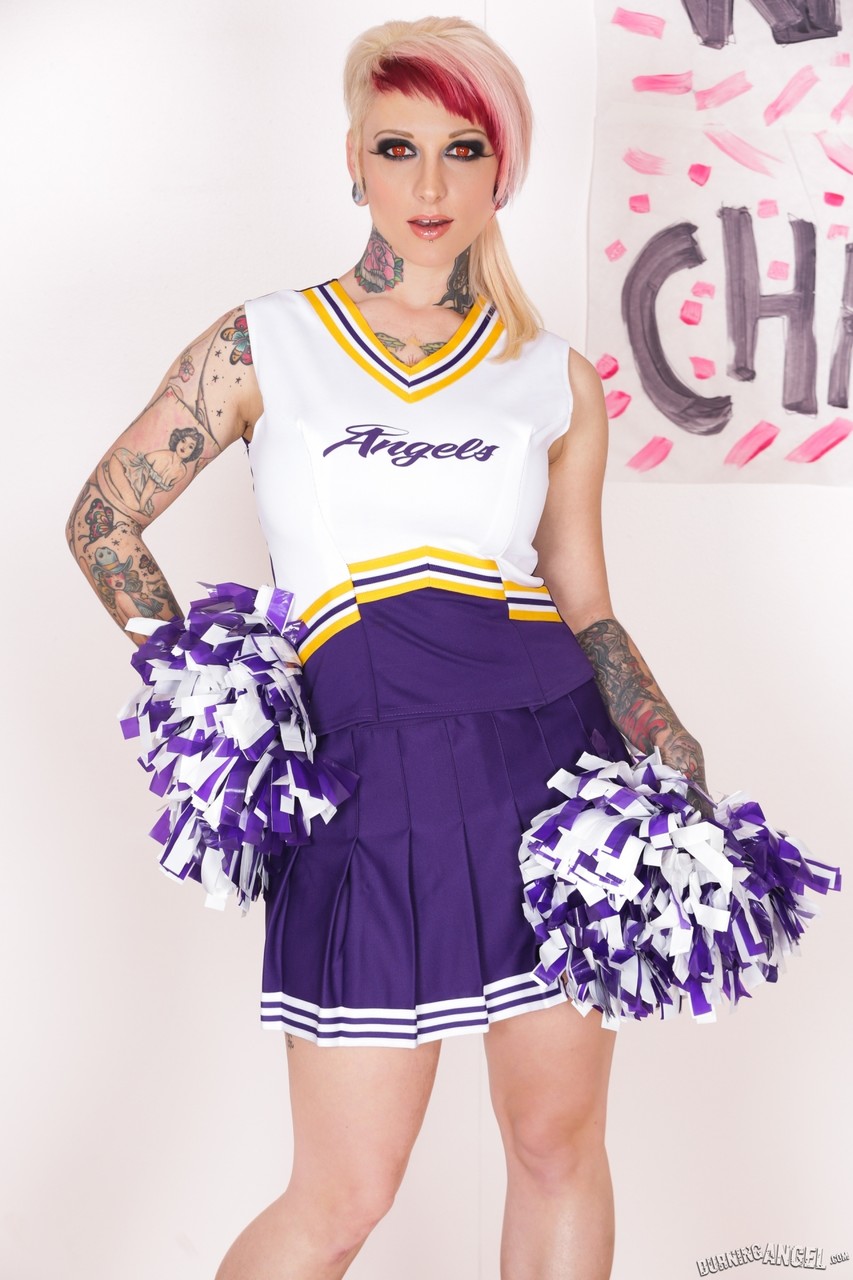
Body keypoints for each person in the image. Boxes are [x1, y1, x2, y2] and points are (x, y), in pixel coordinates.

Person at [66, 16, 711, 1280]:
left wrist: (662, 732)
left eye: (463, 149)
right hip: (361, 786)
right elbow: (103, 520)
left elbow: (582, 599)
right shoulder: (263, 341)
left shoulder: (553, 376)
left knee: (556, 1143)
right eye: (397, 146)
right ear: (352, 159)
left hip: (553, 782)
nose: (429, 184)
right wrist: (214, 698)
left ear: (501, 168)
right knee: (342, 1196)